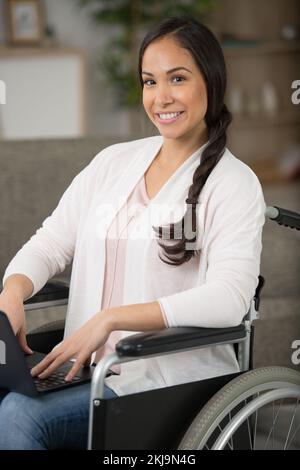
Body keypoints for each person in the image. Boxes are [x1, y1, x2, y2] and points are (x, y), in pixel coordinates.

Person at [0, 16, 266, 450]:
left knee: (21, 418)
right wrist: (12, 291)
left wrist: (113, 319)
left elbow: (230, 298)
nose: (161, 97)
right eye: (149, 81)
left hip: (160, 381)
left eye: (177, 78)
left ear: (211, 82)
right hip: (83, 369)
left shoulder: (233, 183)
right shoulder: (112, 162)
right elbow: (51, 240)